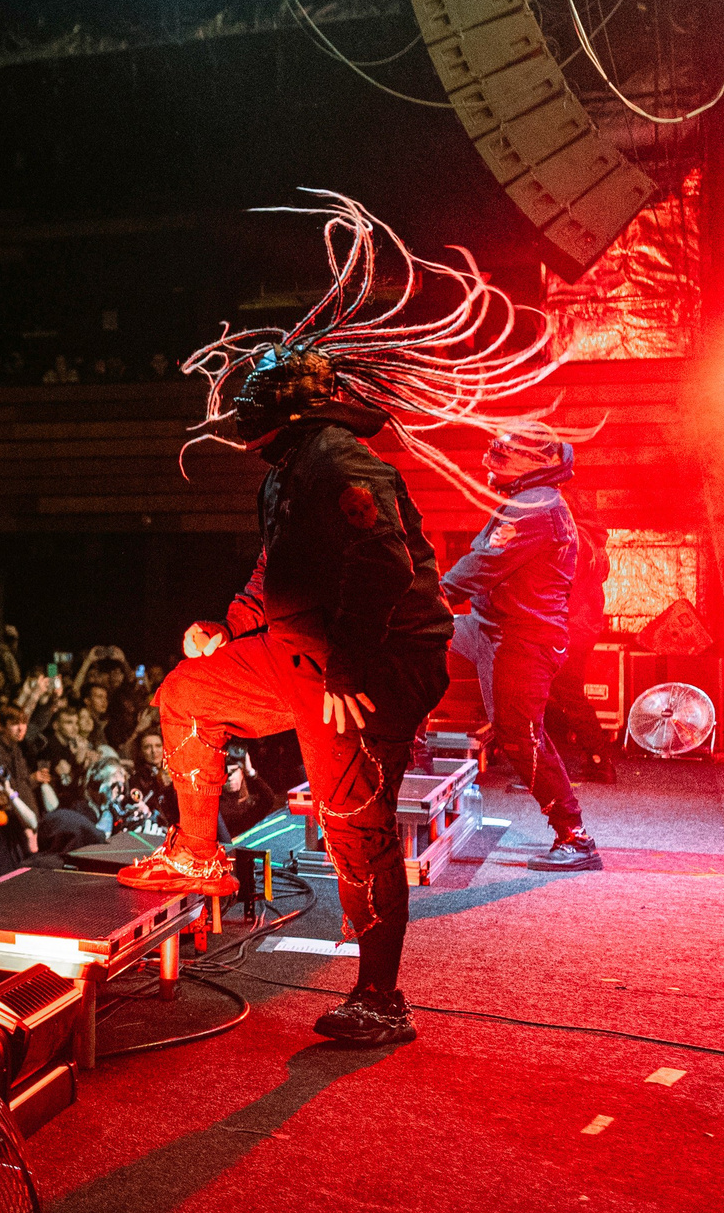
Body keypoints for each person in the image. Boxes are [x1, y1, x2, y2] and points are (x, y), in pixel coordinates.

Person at [121, 195, 540, 1049]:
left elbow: (384, 568)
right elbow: (277, 572)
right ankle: (198, 852)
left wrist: (348, 666)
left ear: (281, 412)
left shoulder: (341, 460)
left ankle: (381, 997)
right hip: (306, 656)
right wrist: (229, 628)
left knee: (357, 823)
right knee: (188, 693)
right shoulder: (290, 468)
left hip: (368, 667)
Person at [441, 426, 600, 872]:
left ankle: (575, 837)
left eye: (501, 459)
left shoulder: (536, 508)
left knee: (520, 735)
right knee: (421, 637)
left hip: (523, 637)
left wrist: (436, 594)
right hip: (489, 627)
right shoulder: (527, 501)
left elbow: (482, 565)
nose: (487, 466)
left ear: (533, 465)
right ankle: (411, 747)